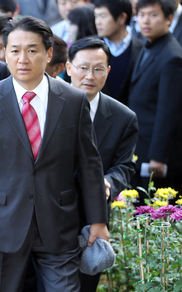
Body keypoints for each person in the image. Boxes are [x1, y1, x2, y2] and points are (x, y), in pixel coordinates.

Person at [0, 16, 109, 292]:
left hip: (59, 223)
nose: (23, 59)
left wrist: (98, 221)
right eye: (15, 50)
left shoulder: (73, 100)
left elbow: (90, 164)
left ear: (49, 53)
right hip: (1, 225)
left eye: (32, 50)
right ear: (5, 53)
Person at [66, 36, 138, 292]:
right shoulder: (49, 105)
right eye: (83, 67)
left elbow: (125, 166)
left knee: (85, 284)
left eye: (98, 69)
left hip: (91, 217)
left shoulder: (123, 117)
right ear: (68, 68)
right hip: (49, 213)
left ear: (108, 72)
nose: (89, 75)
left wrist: (107, 182)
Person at [128, 0, 182, 196]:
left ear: (169, 18)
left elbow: (168, 111)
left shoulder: (172, 56)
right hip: (141, 143)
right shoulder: (149, 45)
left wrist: (158, 156)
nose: (145, 21)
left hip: (154, 152)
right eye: (141, 15)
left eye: (153, 15)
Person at [94, 0, 143, 105]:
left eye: (103, 16)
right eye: (96, 16)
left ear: (122, 18)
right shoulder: (90, 48)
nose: (97, 22)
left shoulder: (142, 50)